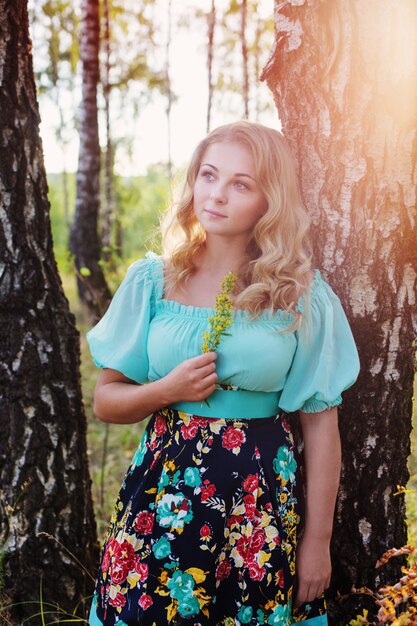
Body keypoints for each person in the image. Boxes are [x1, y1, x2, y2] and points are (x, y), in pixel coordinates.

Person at [86, 120, 360, 626]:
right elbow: (106, 402)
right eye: (208, 175)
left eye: (241, 183)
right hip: (161, 498)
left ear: (269, 201)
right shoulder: (152, 281)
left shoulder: (298, 295)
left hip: (255, 502)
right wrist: (168, 390)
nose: (216, 194)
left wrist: (317, 544)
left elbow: (321, 427)